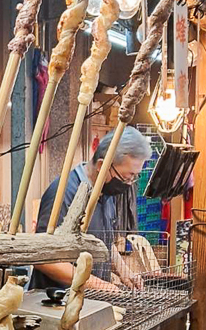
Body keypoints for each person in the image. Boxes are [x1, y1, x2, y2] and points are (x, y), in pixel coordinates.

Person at [32, 126, 152, 293]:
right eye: (126, 177)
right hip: (58, 302)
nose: (129, 183)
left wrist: (125, 272)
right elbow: (43, 258)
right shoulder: (64, 193)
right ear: (102, 166)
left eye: (133, 177)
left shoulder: (105, 191)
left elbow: (104, 243)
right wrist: (98, 284)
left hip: (90, 302)